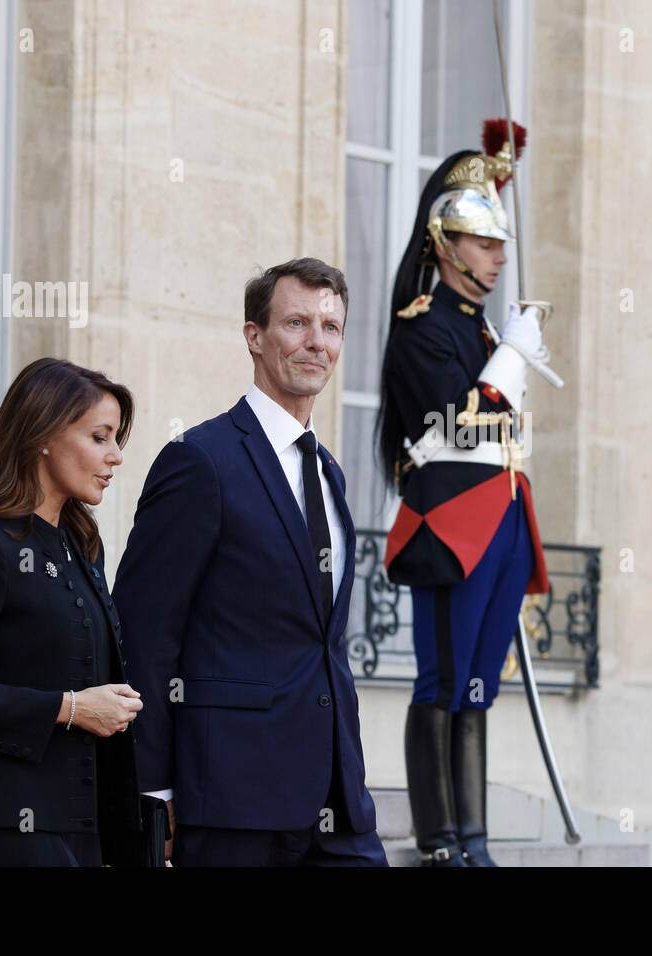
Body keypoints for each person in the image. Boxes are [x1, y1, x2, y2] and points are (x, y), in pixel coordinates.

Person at [113, 257, 385, 867]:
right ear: (254, 337)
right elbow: (144, 634)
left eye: (331, 326)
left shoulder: (329, 472)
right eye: (296, 322)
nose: (317, 341)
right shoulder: (200, 461)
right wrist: (154, 791)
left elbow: (322, 642)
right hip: (231, 799)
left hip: (338, 799)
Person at [376, 121, 551, 866]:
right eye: (485, 242)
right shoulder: (425, 329)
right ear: (446, 245)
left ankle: (474, 839)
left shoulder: (482, 331)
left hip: (504, 519)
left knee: (478, 688)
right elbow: (458, 414)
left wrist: (504, 348)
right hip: (452, 522)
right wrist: (511, 357)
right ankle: (439, 838)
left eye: (501, 243)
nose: (499, 256)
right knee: (442, 680)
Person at [0, 358, 143, 867]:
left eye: (116, 440)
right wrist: (70, 708)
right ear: (43, 435)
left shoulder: (82, 546)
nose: (115, 457)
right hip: (5, 823)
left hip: (85, 826)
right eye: (100, 437)